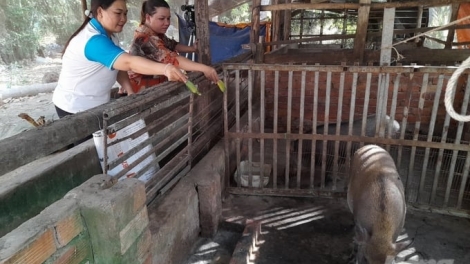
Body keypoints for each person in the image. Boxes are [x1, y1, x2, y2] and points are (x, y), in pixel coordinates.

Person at [52, 0, 188, 119]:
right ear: (100, 12)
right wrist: (165, 68)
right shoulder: (94, 41)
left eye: (125, 13)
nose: (124, 19)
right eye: (118, 13)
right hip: (75, 108)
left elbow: (119, 66)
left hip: (94, 105)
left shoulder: (110, 37)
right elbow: (128, 62)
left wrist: (129, 91)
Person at [128, 0, 219, 93]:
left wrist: (192, 49)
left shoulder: (156, 34)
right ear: (148, 17)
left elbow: (173, 45)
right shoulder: (144, 38)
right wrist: (205, 68)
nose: (167, 23)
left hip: (155, 86)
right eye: (161, 18)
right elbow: (173, 59)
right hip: (141, 90)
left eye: (168, 18)